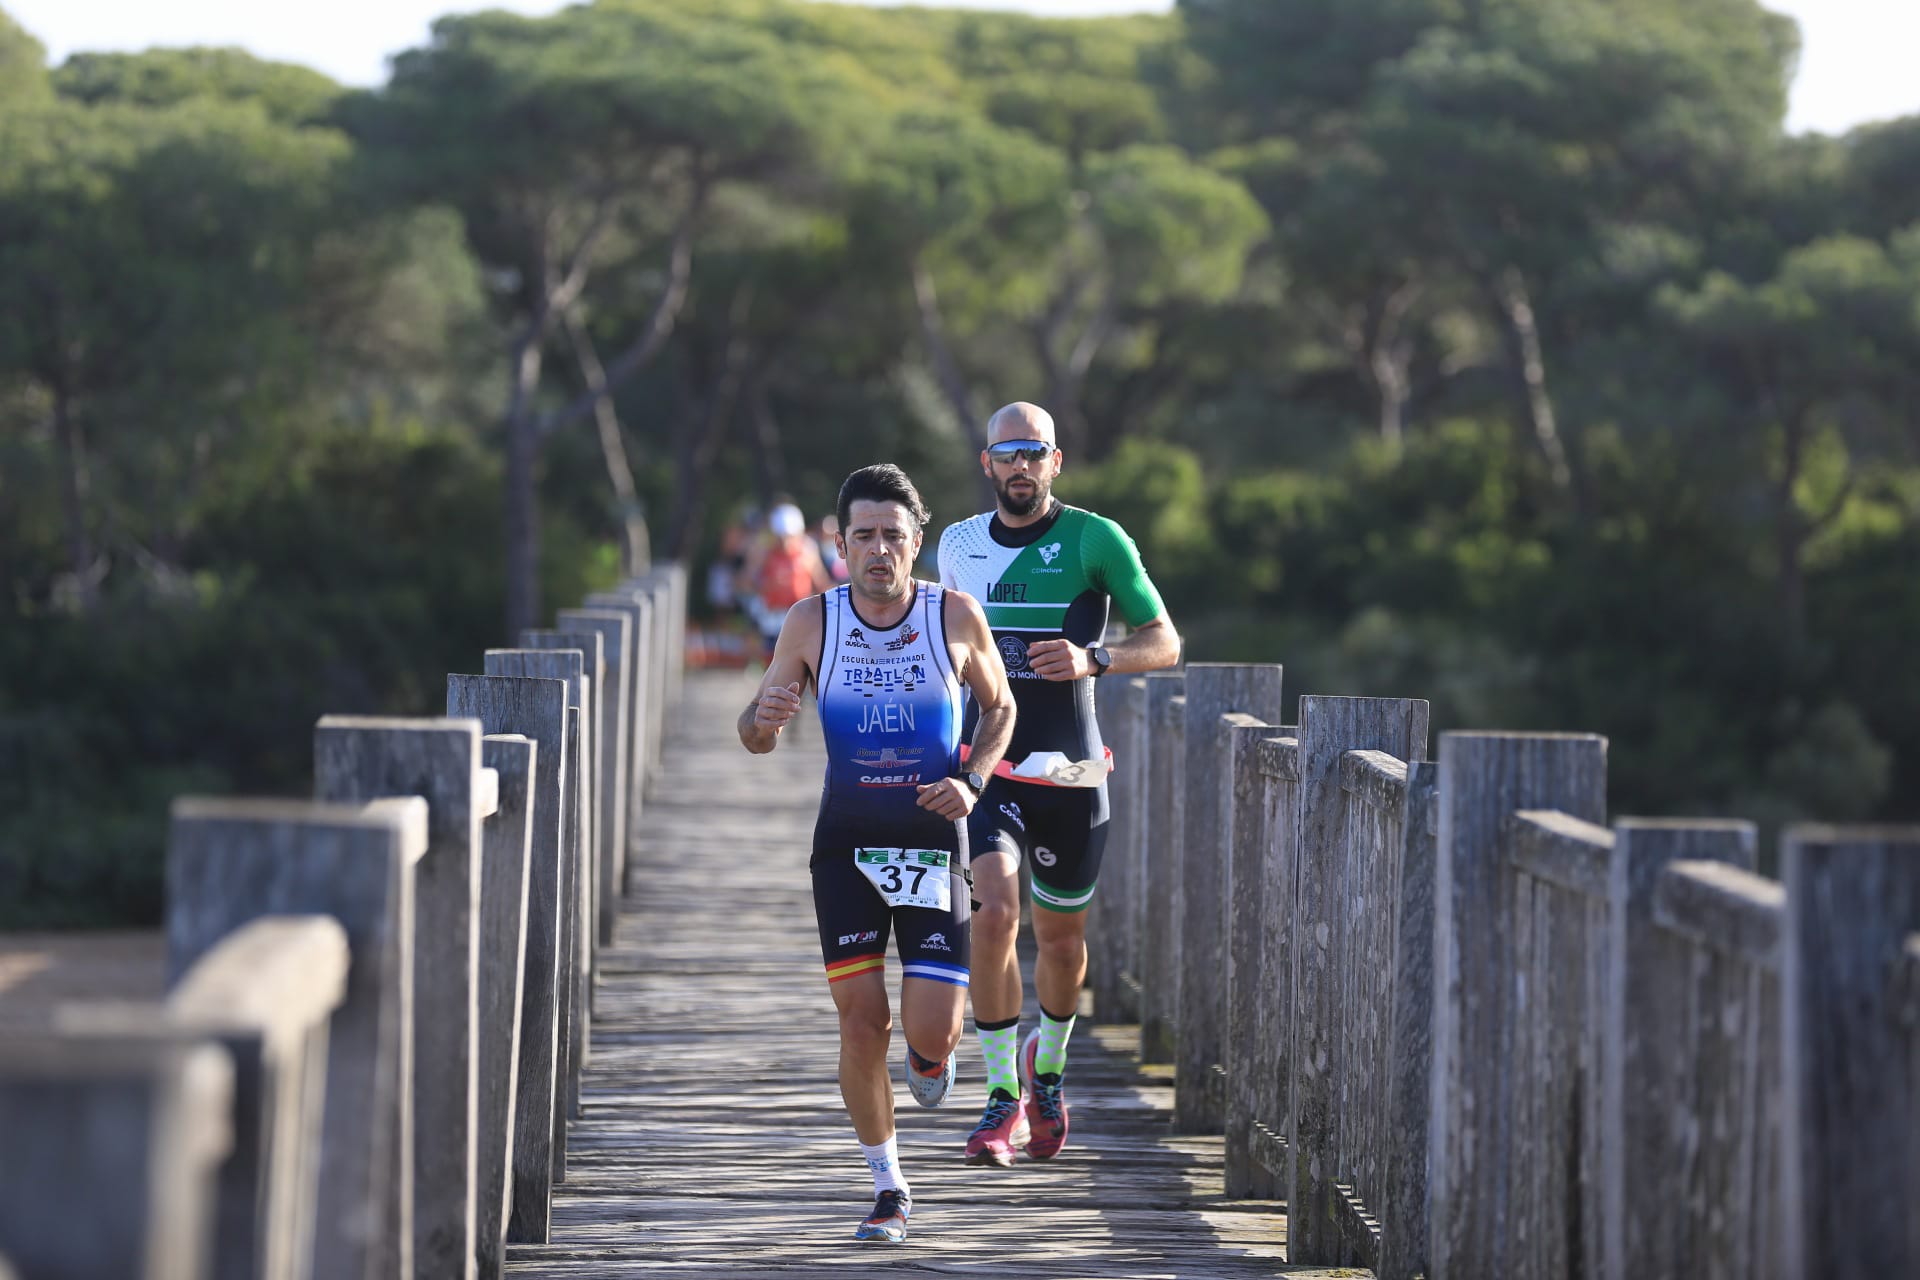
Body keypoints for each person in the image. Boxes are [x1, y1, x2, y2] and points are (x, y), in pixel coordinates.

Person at [739, 463, 1016, 1242]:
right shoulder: (810, 622)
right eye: (863, 535)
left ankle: (933, 1061)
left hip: (932, 839)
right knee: (862, 1023)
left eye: (894, 536)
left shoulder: (954, 616)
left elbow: (1001, 706)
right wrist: (763, 717)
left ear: (916, 542)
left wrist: (973, 779)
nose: (878, 550)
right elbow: (756, 735)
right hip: (847, 844)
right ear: (840, 542)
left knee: (933, 1032)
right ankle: (889, 1188)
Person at [935, 401, 1181, 1167]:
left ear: (1055, 461)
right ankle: (1001, 1097)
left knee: (1063, 941)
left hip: (1073, 769)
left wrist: (1094, 658)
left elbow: (1165, 641)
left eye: (1033, 453)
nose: (1019, 466)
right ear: (987, 464)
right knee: (995, 915)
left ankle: (1050, 1073)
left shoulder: (1095, 538)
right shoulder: (959, 545)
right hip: (991, 767)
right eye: (1006, 454)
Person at [746, 501, 833, 664]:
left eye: (789, 536)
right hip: (772, 616)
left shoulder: (808, 549)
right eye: (781, 536)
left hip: (800, 614)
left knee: (799, 662)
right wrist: (766, 586)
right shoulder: (764, 550)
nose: (785, 542)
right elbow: (747, 581)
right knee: (773, 662)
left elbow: (821, 582)